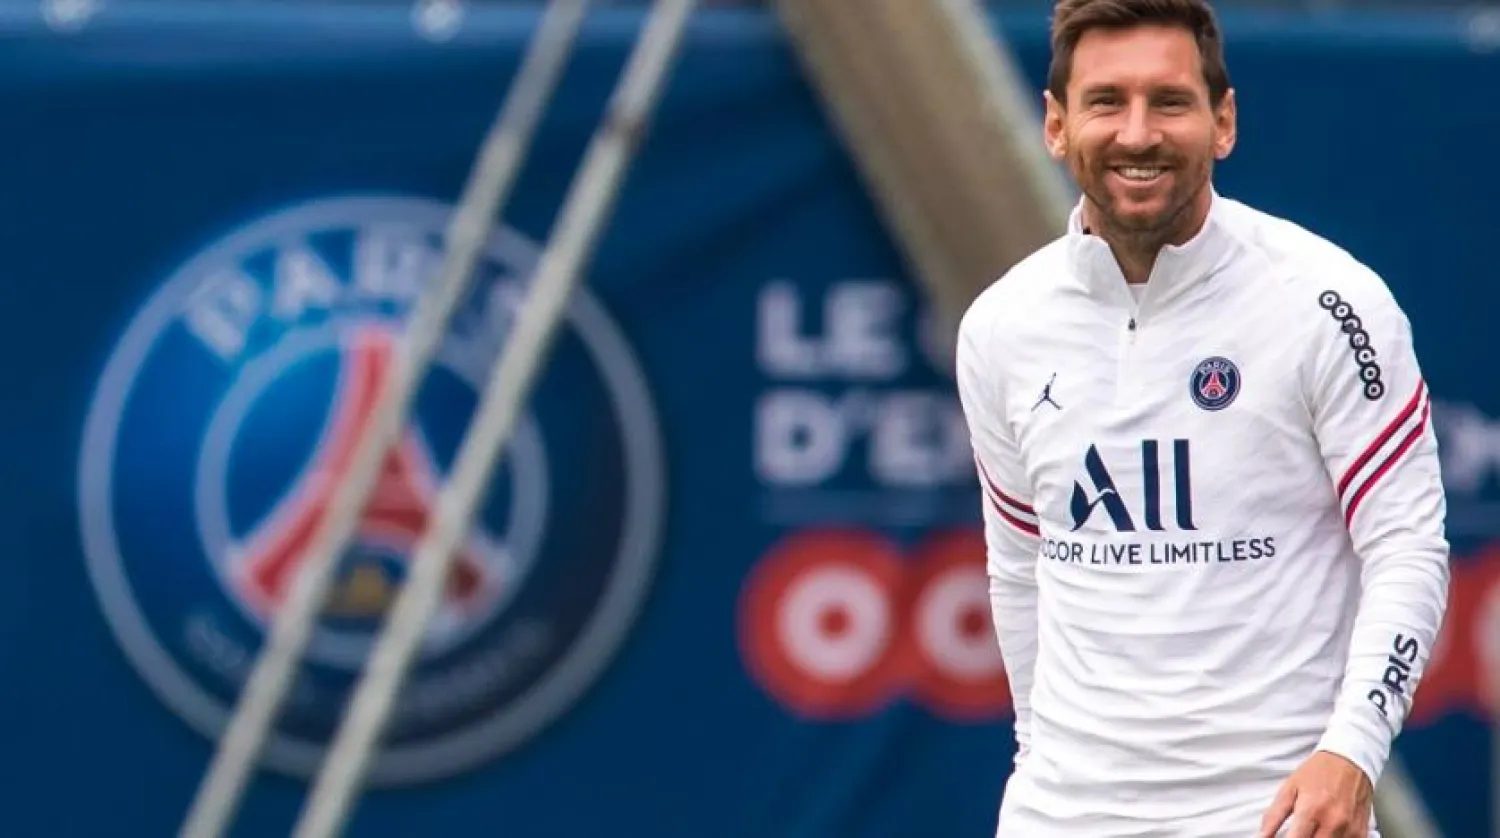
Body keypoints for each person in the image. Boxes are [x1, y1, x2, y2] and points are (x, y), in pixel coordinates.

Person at [952, 0, 1451, 835]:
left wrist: (1353, 752)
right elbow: (1018, 565)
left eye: (1170, 102)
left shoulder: (1330, 303)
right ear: (1056, 124)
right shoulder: (1001, 325)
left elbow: (1408, 547)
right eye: (1107, 101)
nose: (1138, 133)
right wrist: (1037, 753)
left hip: (1272, 813)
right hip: (1064, 814)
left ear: (1223, 122)